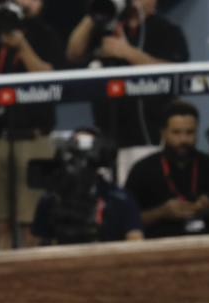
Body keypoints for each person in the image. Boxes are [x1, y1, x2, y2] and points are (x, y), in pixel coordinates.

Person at [0, 0, 64, 250]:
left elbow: (49, 80)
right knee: (0, 224)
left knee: (31, 225)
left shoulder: (46, 34)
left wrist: (22, 44)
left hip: (33, 140)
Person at [65, 0, 189, 183]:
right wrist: (97, 12)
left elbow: (175, 72)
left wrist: (127, 53)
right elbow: (73, 53)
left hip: (150, 140)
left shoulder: (166, 30)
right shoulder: (105, 27)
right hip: (108, 139)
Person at [124, 100, 209, 239]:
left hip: (205, 247)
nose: (183, 140)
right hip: (158, 249)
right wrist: (161, 213)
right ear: (163, 133)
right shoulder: (142, 170)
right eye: (176, 133)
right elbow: (124, 221)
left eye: (190, 132)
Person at [31, 129, 144, 244]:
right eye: (74, 153)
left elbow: (136, 243)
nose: (79, 162)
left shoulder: (120, 199)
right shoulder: (50, 199)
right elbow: (36, 245)